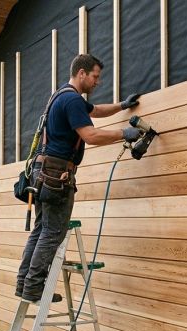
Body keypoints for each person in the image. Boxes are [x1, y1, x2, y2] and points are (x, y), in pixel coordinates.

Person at [16, 53, 142, 303]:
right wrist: (124, 133)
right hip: (56, 175)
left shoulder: (62, 95)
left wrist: (123, 106)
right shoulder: (72, 100)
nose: (98, 82)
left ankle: (24, 284)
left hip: (42, 173)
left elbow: (95, 110)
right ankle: (34, 287)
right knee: (52, 232)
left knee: (41, 229)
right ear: (82, 73)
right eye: (95, 76)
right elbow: (91, 135)